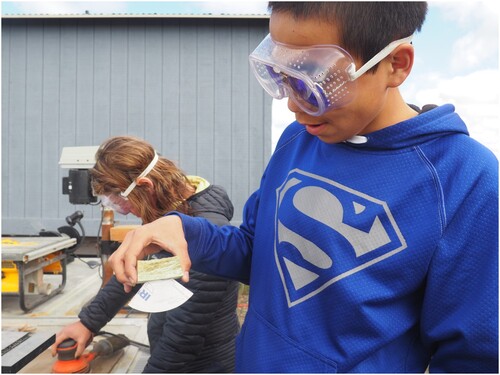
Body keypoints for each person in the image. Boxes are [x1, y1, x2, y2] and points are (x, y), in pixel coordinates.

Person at [108, 2, 498, 373]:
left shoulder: (462, 178)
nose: (293, 105)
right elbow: (256, 251)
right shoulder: (300, 139)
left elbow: (471, 355)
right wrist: (185, 230)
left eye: (316, 81)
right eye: (281, 75)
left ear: (395, 64)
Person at [51, 136, 240, 373]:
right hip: (172, 350)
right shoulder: (168, 212)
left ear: (146, 186)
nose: (126, 212)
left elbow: (184, 335)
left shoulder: (208, 235)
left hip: (203, 363)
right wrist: (88, 323)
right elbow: (136, 271)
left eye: (122, 201)